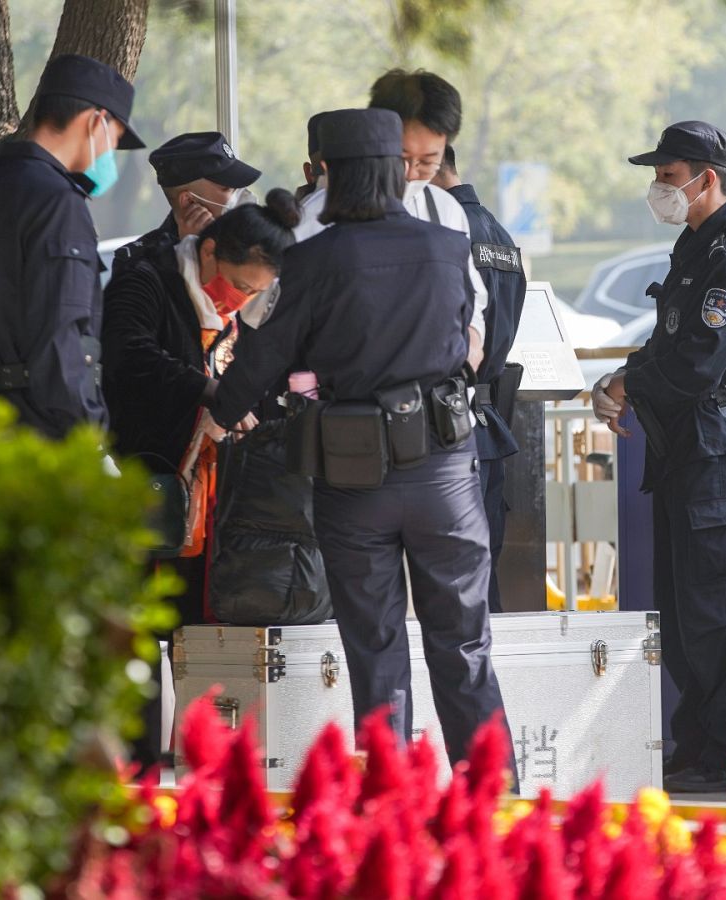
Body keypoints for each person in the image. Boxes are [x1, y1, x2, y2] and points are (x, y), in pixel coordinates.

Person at [203, 109, 509, 767]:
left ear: (329, 177)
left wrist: (218, 415)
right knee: (463, 645)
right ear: (398, 172)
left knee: (374, 649)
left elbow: (261, 359)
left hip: (352, 477)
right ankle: (493, 804)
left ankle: (389, 807)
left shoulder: (312, 260)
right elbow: (466, 347)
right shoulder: (448, 248)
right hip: (445, 476)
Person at [592, 122, 726, 793]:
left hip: (718, 455)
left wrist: (627, 384)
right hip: (685, 453)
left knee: (720, 610)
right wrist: (621, 378)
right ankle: (699, 742)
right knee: (686, 607)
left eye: (668, 176)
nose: (658, 188)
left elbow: (698, 362)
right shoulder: (693, 249)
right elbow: (669, 344)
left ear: (707, 179)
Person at [101, 190, 302, 617]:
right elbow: (129, 353)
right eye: (239, 285)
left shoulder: (241, 314)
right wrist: (210, 392)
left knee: (205, 615)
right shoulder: (148, 279)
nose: (240, 299)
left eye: (254, 293)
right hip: (156, 473)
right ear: (209, 250)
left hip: (219, 489)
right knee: (149, 612)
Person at [0, 54, 143, 437]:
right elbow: (60, 337)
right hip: (38, 432)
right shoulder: (59, 204)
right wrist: (88, 435)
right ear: (96, 120)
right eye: (114, 139)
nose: (110, 153)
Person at [294, 72, 488, 370]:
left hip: (435, 403)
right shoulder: (317, 215)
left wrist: (473, 342)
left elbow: (471, 300)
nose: (411, 173)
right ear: (378, 136)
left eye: (428, 161)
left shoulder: (445, 210)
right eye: (402, 157)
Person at [434, 144, 527, 612]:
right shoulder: (499, 232)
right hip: (488, 421)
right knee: (481, 578)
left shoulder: (444, 232)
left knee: (453, 585)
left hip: (447, 424)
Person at [110, 131, 263, 279]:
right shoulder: (138, 260)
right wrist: (188, 252)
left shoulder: (252, 245)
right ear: (190, 201)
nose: (240, 194)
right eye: (227, 188)